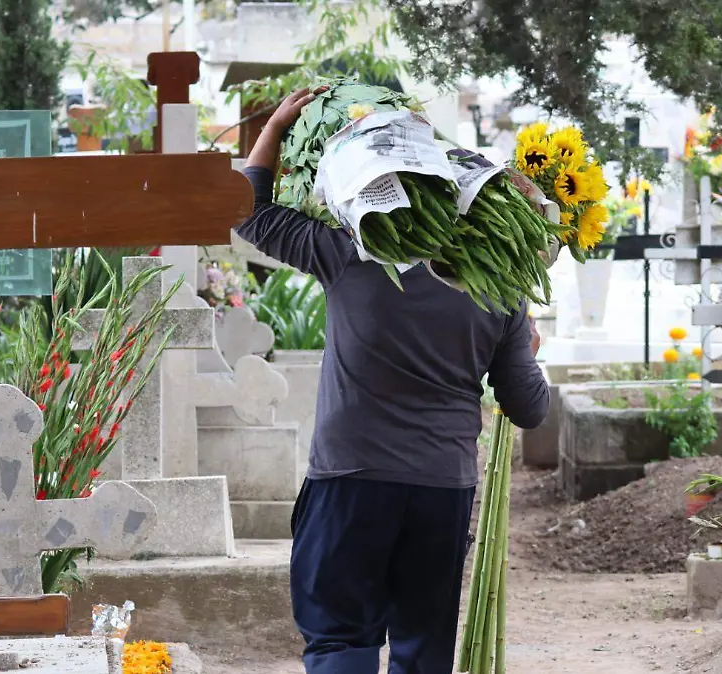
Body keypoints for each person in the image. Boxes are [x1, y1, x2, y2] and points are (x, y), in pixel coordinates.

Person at [234, 88, 550, 674]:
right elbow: (528, 408)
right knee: (421, 648)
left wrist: (276, 128)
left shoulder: (353, 253)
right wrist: (528, 348)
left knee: (339, 639)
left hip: (350, 479)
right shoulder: (501, 291)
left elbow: (249, 212)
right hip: (440, 487)